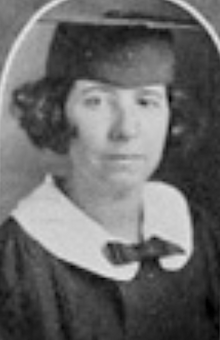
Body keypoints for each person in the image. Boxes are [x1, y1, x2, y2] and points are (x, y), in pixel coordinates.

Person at [0, 11, 219, 340]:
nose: (126, 129)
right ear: (56, 112)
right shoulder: (16, 260)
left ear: (171, 116)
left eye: (147, 102)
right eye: (96, 101)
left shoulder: (200, 233)